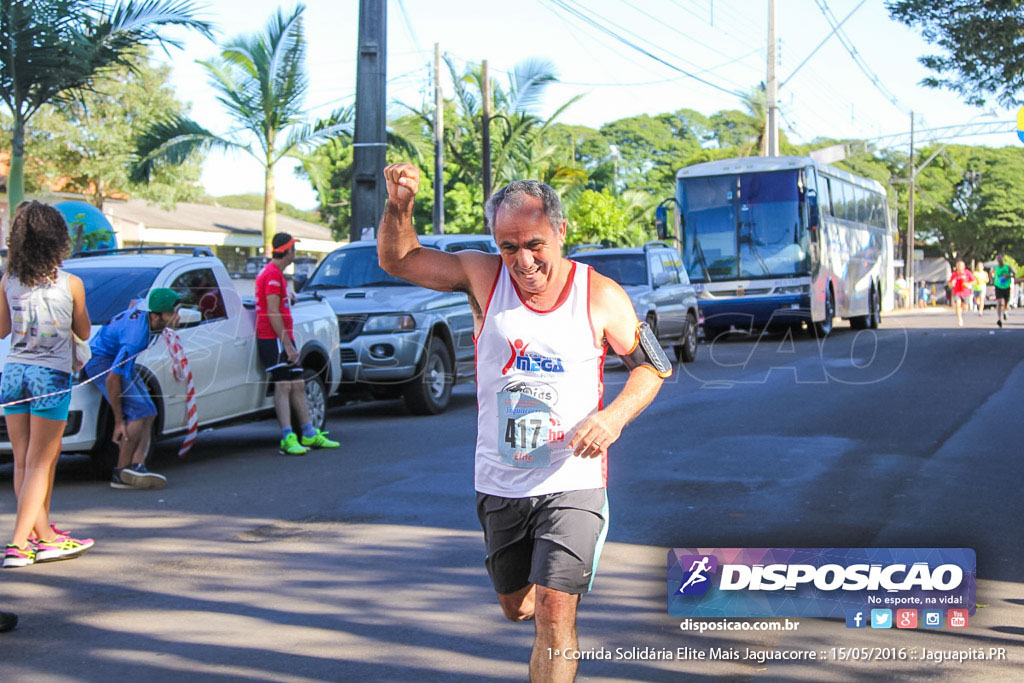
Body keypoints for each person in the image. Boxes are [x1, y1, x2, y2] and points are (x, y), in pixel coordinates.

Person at [377, 164, 668, 683]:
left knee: (556, 611)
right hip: (501, 478)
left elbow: (653, 365)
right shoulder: (482, 276)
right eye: (508, 247)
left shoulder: (599, 294)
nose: (524, 260)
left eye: (535, 244)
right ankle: (535, 583)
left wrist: (612, 417)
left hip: (573, 479)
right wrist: (399, 206)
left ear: (560, 232)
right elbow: (399, 259)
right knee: (519, 607)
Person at [0, 201, 94, 568]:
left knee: (24, 460)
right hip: (50, 377)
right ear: (57, 239)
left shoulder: (8, 280)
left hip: (13, 374)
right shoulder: (71, 283)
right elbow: (83, 331)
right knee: (42, 462)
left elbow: (2, 330)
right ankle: (19, 545)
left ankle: (46, 537)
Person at [84, 288, 182, 489]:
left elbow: (134, 302)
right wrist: (119, 420)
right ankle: (121, 472)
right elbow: (113, 378)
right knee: (137, 413)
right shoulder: (135, 338)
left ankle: (138, 465)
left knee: (150, 411)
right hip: (100, 361)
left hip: (115, 358)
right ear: (155, 316)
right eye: (172, 313)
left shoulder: (146, 311)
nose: (177, 318)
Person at [255, 233, 338, 455]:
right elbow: (272, 312)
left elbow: (275, 303)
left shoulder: (277, 276)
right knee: (283, 385)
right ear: (287, 251)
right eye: (293, 249)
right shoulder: (272, 275)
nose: (295, 254)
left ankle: (309, 433)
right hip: (273, 339)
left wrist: (288, 297)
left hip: (283, 338)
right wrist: (288, 345)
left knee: (298, 383)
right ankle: (287, 436)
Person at [947, 261, 974, 327]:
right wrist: (951, 284)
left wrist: (968, 284)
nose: (959, 267)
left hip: (966, 292)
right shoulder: (954, 274)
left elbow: (974, 281)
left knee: (965, 307)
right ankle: (959, 319)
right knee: (957, 305)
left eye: (961, 266)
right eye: (958, 266)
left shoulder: (967, 273)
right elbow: (949, 283)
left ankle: (961, 311)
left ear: (964, 266)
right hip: (957, 292)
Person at [993, 253, 1015, 328]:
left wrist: (1008, 276)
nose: (999, 260)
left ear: (1003, 258)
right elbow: (991, 273)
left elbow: (1014, 275)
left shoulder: (1007, 267)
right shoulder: (995, 267)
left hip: (1006, 286)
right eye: (997, 259)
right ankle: (999, 319)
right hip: (998, 286)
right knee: (999, 302)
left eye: (1000, 258)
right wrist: (991, 279)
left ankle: (1005, 311)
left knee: (1006, 302)